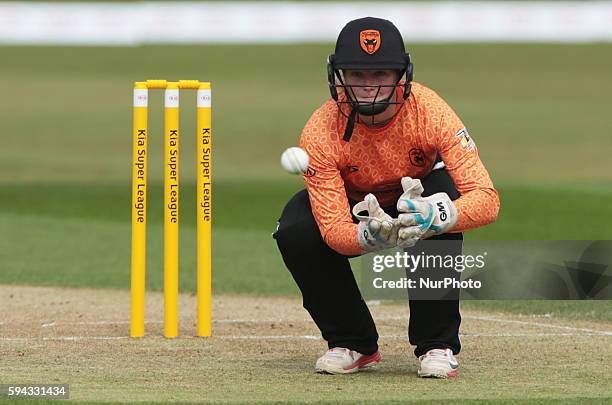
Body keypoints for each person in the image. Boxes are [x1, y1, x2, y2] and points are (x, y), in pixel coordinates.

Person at [273, 17, 499, 378]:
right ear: (339, 76)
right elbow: (333, 230)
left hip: (417, 193)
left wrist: (437, 215)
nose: (367, 87)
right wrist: (366, 236)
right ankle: (352, 343)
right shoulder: (319, 131)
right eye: (356, 75)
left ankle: (435, 345)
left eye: (379, 74)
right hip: (358, 204)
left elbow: (486, 198)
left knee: (444, 197)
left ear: (401, 76)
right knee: (295, 229)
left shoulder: (431, 111)